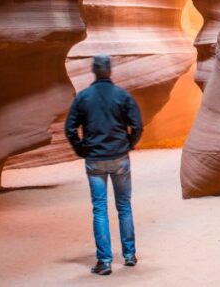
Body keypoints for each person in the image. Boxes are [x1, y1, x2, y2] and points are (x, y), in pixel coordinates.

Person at [65, 54, 144, 276]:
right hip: (119, 158)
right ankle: (129, 255)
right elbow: (137, 125)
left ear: (94, 71)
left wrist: (82, 149)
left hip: (95, 160)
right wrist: (128, 144)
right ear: (109, 71)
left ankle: (105, 261)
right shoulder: (122, 95)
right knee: (124, 207)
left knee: (100, 209)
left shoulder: (83, 97)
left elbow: (70, 129)